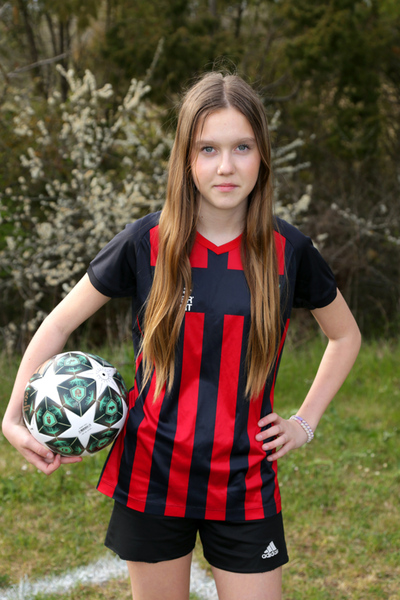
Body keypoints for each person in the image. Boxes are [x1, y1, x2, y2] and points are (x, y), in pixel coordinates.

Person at [2, 71, 361, 600]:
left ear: (263, 154)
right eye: (208, 149)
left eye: (242, 147)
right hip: (153, 473)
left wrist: (305, 423)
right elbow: (57, 323)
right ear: (186, 159)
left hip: (244, 479)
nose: (225, 166)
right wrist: (14, 416)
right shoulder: (147, 242)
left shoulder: (289, 251)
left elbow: (345, 336)